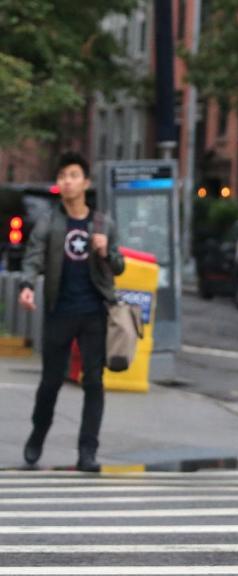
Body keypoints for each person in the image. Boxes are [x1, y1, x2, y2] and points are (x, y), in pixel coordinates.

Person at [17, 152, 125, 472]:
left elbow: (118, 266)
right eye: (63, 176)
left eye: (74, 175)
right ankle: (38, 434)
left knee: (94, 381)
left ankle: (87, 451)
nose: (67, 181)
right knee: (51, 381)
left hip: (93, 312)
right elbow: (33, 256)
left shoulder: (103, 223)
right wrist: (26, 284)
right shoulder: (49, 222)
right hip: (59, 311)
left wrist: (106, 251)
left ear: (86, 182)